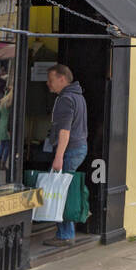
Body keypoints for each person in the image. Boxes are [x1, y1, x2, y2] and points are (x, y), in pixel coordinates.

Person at [43, 64, 88, 248]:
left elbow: (64, 131)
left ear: (62, 79)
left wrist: (58, 157)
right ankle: (66, 231)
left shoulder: (66, 99)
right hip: (79, 147)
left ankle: (65, 235)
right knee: (63, 190)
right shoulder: (78, 96)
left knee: (58, 191)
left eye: (51, 80)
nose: (48, 84)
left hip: (69, 150)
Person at [0, 86, 14, 171]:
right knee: (7, 146)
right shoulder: (12, 103)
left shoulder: (3, 101)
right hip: (8, 126)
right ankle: (3, 163)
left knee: (2, 145)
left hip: (1, 126)